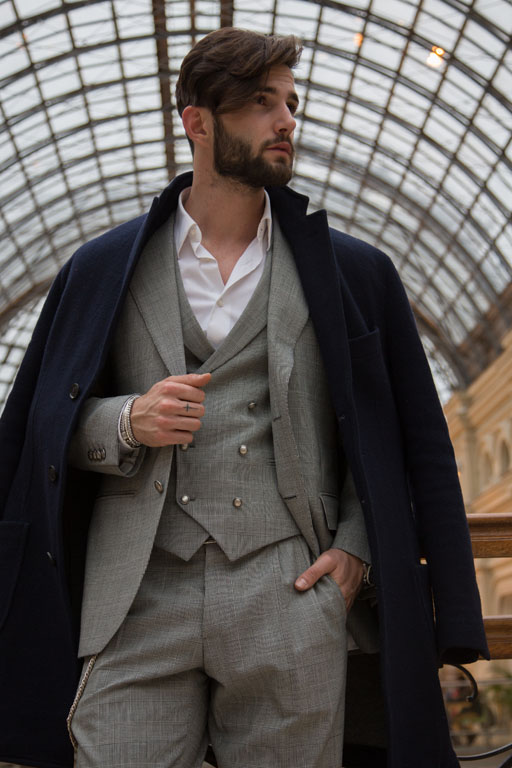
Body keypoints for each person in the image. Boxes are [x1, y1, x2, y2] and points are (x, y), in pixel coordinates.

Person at [0, 27, 489, 768]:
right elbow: (40, 426)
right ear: (198, 121)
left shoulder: (354, 272)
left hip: (290, 595)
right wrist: (124, 421)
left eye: (291, 103)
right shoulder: (101, 268)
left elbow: (404, 436)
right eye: (263, 103)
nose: (287, 121)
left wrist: (357, 546)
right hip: (134, 602)